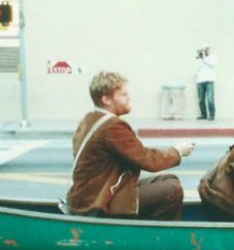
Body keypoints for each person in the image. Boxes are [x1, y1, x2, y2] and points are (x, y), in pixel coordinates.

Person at [65, 71, 195, 220]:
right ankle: (157, 238)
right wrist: (178, 151)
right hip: (99, 201)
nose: (129, 97)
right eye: (123, 94)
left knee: (170, 179)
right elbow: (147, 159)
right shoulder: (112, 126)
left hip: (93, 194)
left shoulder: (91, 119)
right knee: (173, 190)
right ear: (106, 99)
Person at [194, 44, 217, 120]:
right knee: (201, 100)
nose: (205, 51)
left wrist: (204, 58)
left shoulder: (212, 57)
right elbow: (196, 69)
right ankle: (203, 114)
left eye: (206, 49)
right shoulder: (199, 59)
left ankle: (212, 115)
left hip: (209, 81)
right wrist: (200, 59)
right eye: (203, 50)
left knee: (210, 99)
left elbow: (212, 64)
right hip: (200, 81)